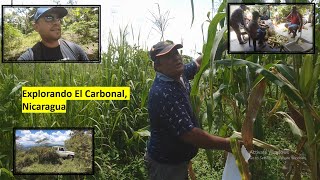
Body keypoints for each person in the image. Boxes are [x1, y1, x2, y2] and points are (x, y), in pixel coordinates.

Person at [145, 40, 232, 179]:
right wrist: (227, 144)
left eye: (176, 53)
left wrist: (220, 44)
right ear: (158, 66)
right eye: (168, 56)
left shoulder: (179, 73)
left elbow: (198, 63)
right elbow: (190, 134)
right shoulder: (163, 92)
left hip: (178, 158)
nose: (176, 58)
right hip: (167, 165)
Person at [18, 7, 89, 61]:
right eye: (49, 18)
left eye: (58, 18)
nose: (56, 23)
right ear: (36, 27)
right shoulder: (28, 58)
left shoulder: (76, 49)